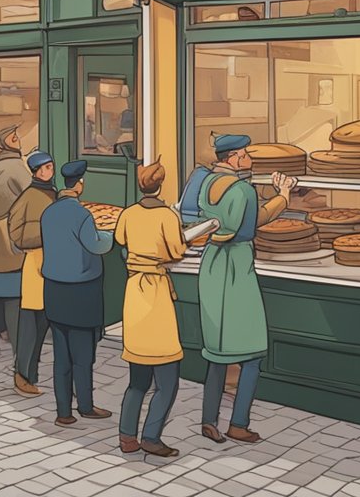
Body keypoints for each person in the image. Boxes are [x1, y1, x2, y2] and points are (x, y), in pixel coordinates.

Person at [196, 133, 296, 444]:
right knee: (252, 354)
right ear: (235, 157)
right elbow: (255, 224)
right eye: (246, 154)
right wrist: (282, 195)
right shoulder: (243, 190)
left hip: (211, 265)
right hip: (237, 268)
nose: (249, 158)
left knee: (216, 353)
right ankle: (238, 422)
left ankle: (209, 420)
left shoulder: (205, 183)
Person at [115, 159, 196, 457]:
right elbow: (177, 250)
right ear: (160, 185)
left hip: (134, 292)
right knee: (167, 380)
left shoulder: (128, 214)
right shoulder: (167, 215)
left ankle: (126, 436)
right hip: (157, 293)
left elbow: (120, 239)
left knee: (137, 378)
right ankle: (151, 436)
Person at [40, 160, 114, 426]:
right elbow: (96, 246)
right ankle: (85, 405)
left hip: (54, 290)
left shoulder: (49, 212)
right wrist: (109, 235)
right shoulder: (82, 215)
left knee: (62, 355)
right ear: (79, 184)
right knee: (83, 355)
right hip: (81, 291)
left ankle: (63, 411)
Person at [8, 150, 58, 396]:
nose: (50, 171)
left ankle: (32, 374)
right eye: (46, 168)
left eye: (51, 166)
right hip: (35, 267)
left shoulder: (53, 193)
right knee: (31, 326)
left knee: (43, 325)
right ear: (37, 172)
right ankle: (23, 374)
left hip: (51, 264)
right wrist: (44, 236)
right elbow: (15, 232)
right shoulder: (28, 197)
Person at [0, 125, 28, 357]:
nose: (18, 139)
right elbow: (30, 193)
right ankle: (17, 341)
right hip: (9, 230)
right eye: (14, 137)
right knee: (12, 291)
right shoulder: (15, 167)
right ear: (6, 143)